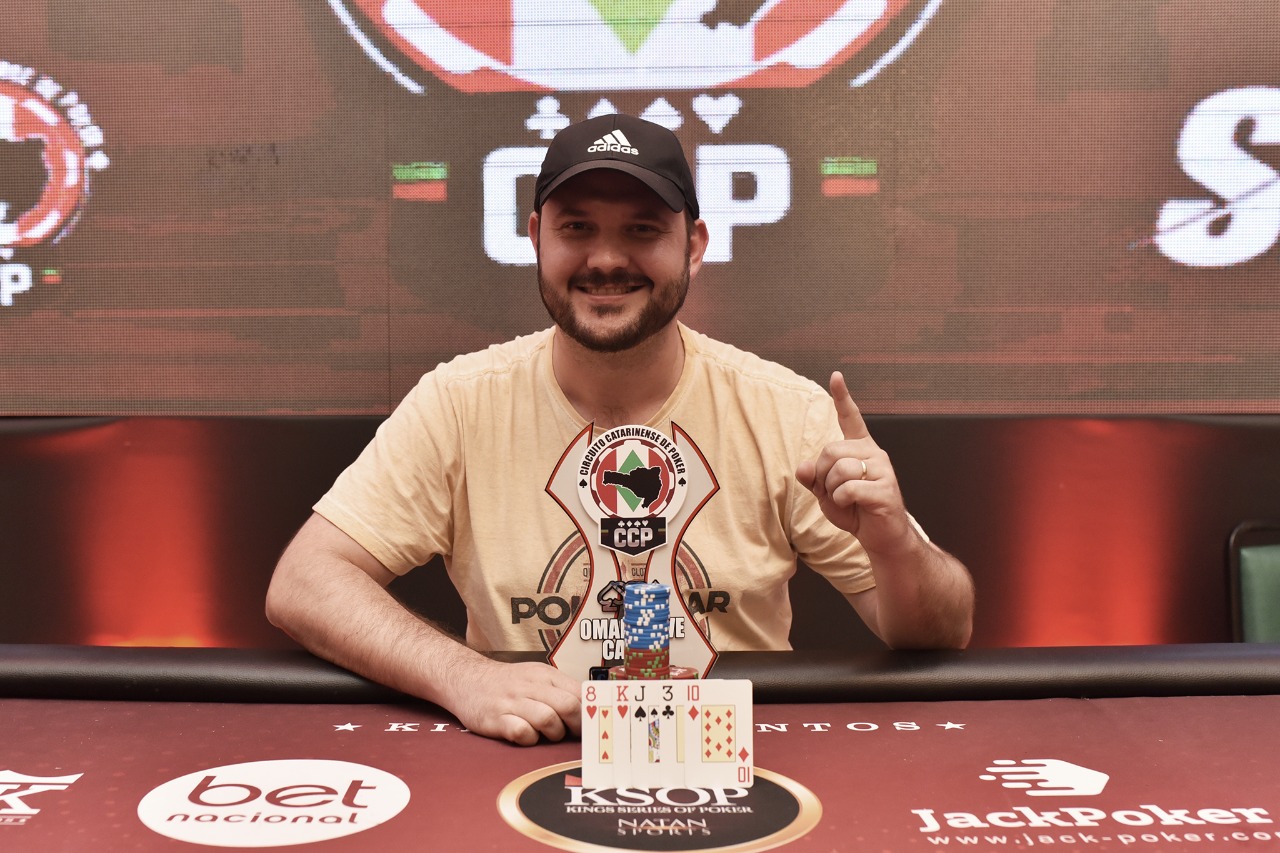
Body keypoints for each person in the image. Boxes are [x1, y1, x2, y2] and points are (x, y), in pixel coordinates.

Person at [265, 113, 974, 747]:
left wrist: (895, 544)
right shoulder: (459, 403)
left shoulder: (785, 410)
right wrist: (465, 676)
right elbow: (303, 583)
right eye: (576, 227)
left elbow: (944, 631)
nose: (606, 259)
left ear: (693, 245)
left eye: (642, 229)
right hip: (527, 757)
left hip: (736, 762)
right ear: (535, 238)